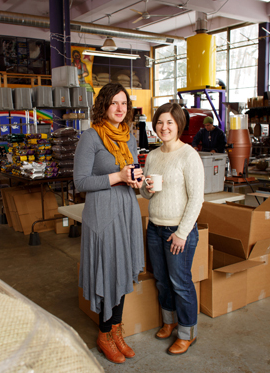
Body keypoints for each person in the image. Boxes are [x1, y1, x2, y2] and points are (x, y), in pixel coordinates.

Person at [74, 83, 145, 364]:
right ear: (103, 105)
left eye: (124, 104)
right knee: (108, 269)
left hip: (127, 211)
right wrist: (118, 176)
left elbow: (133, 171)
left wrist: (139, 180)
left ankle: (116, 329)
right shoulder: (90, 138)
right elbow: (80, 182)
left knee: (122, 270)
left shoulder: (129, 137)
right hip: (102, 216)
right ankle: (104, 334)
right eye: (114, 103)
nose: (119, 108)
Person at [140, 102, 204, 356]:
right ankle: (170, 322)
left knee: (180, 283)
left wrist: (181, 233)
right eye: (159, 122)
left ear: (179, 124)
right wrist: (147, 188)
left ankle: (188, 333)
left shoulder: (189, 155)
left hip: (178, 231)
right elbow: (145, 193)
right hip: (155, 228)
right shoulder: (154, 156)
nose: (164, 127)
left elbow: (196, 199)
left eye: (169, 122)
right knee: (163, 282)